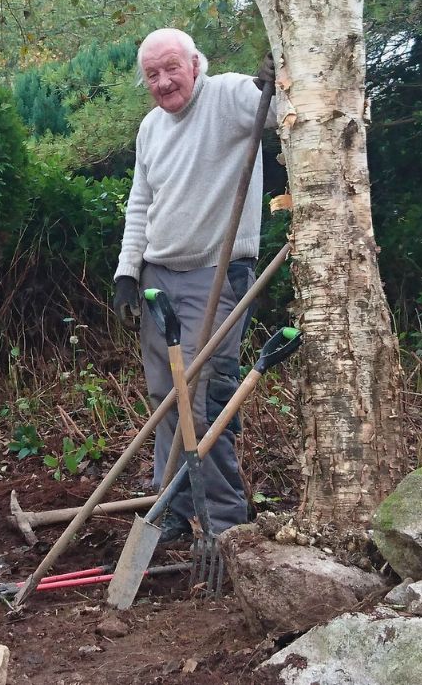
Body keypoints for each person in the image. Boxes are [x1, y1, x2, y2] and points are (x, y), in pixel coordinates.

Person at [113, 28, 275, 544]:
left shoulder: (227, 95)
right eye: (152, 75)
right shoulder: (150, 128)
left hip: (217, 270)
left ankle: (225, 525)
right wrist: (127, 268)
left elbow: (280, 113)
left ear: (195, 63)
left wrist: (282, 82)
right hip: (159, 273)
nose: (163, 82)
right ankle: (176, 509)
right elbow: (141, 202)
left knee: (206, 400)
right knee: (166, 397)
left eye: (171, 68)